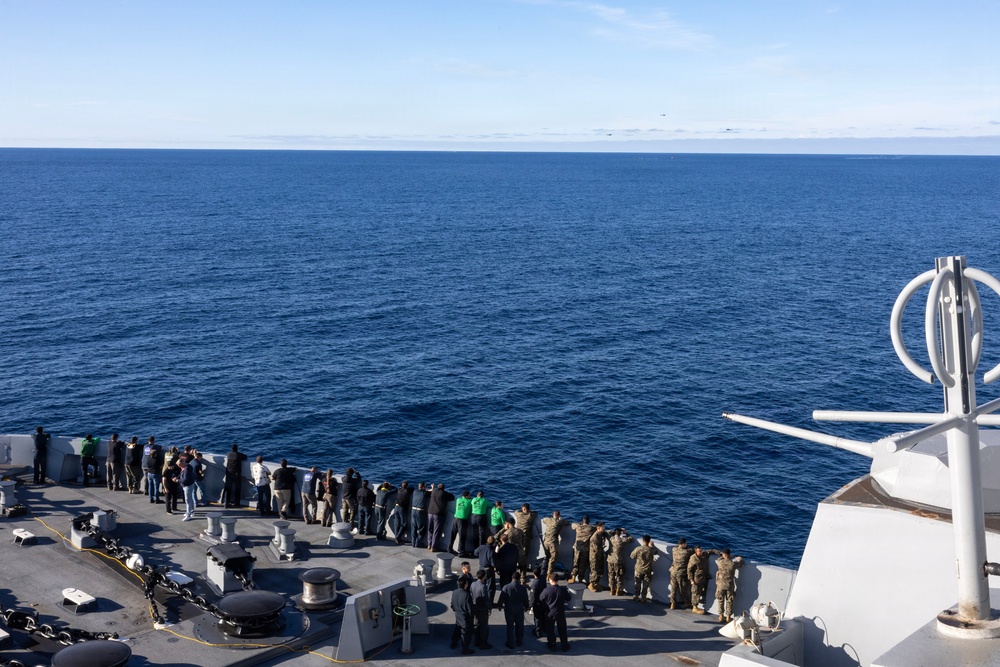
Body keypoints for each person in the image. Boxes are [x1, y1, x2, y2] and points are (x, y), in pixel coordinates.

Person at [538, 572, 571, 652]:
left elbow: (541, 599)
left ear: (550, 580)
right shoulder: (562, 590)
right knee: (562, 629)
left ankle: (552, 644)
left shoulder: (546, 590)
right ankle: (564, 645)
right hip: (560, 612)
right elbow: (568, 598)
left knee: (550, 629)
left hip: (550, 613)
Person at [498, 571, 530, 649]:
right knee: (519, 626)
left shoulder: (506, 587)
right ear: (519, 579)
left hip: (509, 609)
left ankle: (510, 643)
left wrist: (499, 606)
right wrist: (527, 607)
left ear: (512, 578)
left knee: (510, 626)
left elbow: (501, 598)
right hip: (519, 609)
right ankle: (519, 641)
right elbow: (526, 599)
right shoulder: (522, 588)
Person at [687, 545, 721, 615]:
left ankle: (701, 601)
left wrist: (720, 553)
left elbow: (711, 551)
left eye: (701, 550)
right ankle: (694, 607)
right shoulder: (693, 558)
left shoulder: (704, 554)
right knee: (695, 592)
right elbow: (689, 570)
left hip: (704, 576)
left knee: (703, 590)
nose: (701, 552)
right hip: (697, 578)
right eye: (699, 551)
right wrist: (691, 580)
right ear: (696, 551)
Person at [714, 548, 744, 623]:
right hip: (729, 585)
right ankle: (728, 617)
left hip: (720, 585)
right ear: (729, 555)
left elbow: (719, 558)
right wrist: (738, 558)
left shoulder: (720, 562)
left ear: (724, 555)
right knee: (729, 601)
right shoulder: (732, 564)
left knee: (720, 600)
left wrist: (726, 556)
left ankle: (721, 616)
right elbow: (741, 563)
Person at [631, 534, 662, 603]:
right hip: (647, 570)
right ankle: (643, 597)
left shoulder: (638, 549)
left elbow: (632, 556)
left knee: (637, 583)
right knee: (645, 585)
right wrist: (652, 546)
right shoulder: (651, 550)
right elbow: (656, 552)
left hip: (638, 569)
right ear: (649, 541)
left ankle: (636, 596)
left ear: (643, 541)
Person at [450, 575, 475, 654]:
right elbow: (470, 608)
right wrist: (472, 616)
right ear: (465, 584)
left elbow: (452, 604)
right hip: (465, 616)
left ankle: (453, 643)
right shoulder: (467, 595)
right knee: (466, 633)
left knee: (457, 629)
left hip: (458, 614)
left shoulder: (454, 592)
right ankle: (465, 649)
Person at [607, 527, 634, 596]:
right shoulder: (622, 540)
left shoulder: (611, 538)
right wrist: (625, 533)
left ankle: (611, 590)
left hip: (610, 559)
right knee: (619, 575)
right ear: (620, 533)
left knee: (611, 575)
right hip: (618, 560)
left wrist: (615, 532)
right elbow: (631, 538)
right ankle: (618, 591)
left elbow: (609, 532)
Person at [568, 515, 595, 584]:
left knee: (575, 563)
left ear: (583, 521)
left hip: (577, 548)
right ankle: (580, 579)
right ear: (589, 521)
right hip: (585, 549)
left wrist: (580, 524)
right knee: (583, 564)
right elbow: (597, 528)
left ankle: (573, 577)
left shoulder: (578, 526)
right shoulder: (591, 528)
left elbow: (572, 525)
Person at [470, 569, 493, 650]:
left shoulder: (473, 584)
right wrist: (489, 608)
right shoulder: (483, 587)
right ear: (484, 577)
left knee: (476, 624)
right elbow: (486, 599)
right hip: (482, 609)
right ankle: (483, 643)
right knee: (484, 626)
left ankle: (476, 641)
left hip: (474, 607)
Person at [541, 510, 570, 575]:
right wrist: (561, 519)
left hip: (545, 542)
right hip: (553, 543)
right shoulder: (559, 521)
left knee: (546, 557)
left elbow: (543, 520)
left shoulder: (548, 520)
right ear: (559, 516)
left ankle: (543, 572)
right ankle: (549, 573)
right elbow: (567, 523)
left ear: (553, 515)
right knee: (552, 559)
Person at [428, 483, 454, 552]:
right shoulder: (444, 494)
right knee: (436, 531)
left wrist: (432, 488)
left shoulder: (433, 492)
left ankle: (429, 544)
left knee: (430, 529)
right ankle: (433, 547)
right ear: (443, 488)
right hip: (438, 514)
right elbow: (452, 497)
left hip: (430, 512)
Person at [670, 538, 694, 609]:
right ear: (683, 544)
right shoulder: (687, 552)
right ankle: (686, 603)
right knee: (683, 588)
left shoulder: (674, 549)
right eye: (685, 543)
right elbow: (692, 550)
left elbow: (676, 547)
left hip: (673, 571)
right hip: (681, 573)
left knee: (673, 588)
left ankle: (672, 603)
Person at [223, 443, 247, 508]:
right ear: (237, 448)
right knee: (238, 488)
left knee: (228, 488)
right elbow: (245, 457)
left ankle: (226, 503)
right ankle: (237, 503)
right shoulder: (238, 455)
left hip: (229, 473)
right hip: (236, 474)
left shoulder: (228, 454)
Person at [474, 536, 497, 603]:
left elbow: (475, 553)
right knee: (491, 587)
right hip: (488, 569)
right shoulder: (491, 551)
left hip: (481, 568)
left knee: (481, 584)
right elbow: (493, 563)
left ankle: (481, 600)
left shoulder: (481, 547)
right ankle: (489, 602)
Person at [451, 490, 473, 556]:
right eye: (469, 495)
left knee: (453, 534)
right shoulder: (469, 501)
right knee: (462, 536)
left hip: (455, 519)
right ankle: (461, 552)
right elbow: (473, 500)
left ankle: (449, 548)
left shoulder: (458, 499)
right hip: (462, 521)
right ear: (467, 496)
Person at [142, 436, 163, 504]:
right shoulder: (155, 447)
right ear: (153, 440)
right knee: (155, 485)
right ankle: (156, 498)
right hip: (153, 469)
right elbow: (160, 447)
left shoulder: (145, 446)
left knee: (148, 482)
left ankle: (148, 494)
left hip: (145, 464)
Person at [589, 522, 608, 592]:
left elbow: (606, 532)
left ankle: (596, 583)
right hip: (595, 556)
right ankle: (591, 584)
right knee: (594, 571)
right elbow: (596, 549)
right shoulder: (595, 537)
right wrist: (602, 545)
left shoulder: (600, 534)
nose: (604, 528)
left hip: (599, 555)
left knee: (600, 570)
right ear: (598, 528)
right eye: (603, 527)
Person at [528, 567, 547, 638]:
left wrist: (530, 605)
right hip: (543, 602)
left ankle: (538, 631)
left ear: (534, 574)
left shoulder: (535, 584)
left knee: (537, 618)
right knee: (543, 616)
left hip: (537, 603)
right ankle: (545, 628)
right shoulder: (542, 579)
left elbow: (533, 596)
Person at [179, 454, 198, 521]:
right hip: (190, 484)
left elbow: (185, 479)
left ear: (182, 464)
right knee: (190, 499)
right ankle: (192, 511)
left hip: (187, 485)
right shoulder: (187, 467)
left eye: (180, 465)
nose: (179, 467)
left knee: (188, 500)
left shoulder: (186, 469)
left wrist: (178, 480)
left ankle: (188, 514)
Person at [410, 482, 429, 548]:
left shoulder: (415, 492)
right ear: (423, 487)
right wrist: (432, 488)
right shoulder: (425, 493)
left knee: (414, 527)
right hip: (420, 511)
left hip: (413, 510)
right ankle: (418, 543)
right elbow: (430, 492)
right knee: (421, 527)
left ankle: (413, 542)